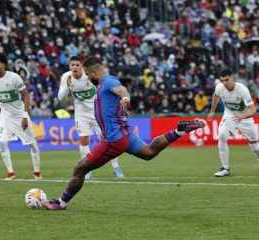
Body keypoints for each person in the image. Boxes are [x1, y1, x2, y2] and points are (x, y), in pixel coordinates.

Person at [43, 57, 204, 210]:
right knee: (149, 152)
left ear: (92, 73)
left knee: (80, 169)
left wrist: (125, 97)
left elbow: (121, 89)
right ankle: (178, 131)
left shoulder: (107, 82)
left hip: (113, 139)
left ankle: (61, 203)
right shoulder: (103, 83)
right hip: (125, 133)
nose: (87, 77)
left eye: (87, 73)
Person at [58, 56, 124, 179]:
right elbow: (60, 98)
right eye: (72, 65)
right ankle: (87, 169)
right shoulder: (66, 77)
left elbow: (104, 89)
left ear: (82, 66)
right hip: (81, 114)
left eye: (77, 65)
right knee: (83, 139)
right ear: (69, 66)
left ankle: (116, 167)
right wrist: (67, 86)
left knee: (108, 139)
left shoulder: (89, 77)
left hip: (97, 112)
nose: (75, 67)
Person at [0, 53, 41, 180]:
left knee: (32, 144)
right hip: (5, 115)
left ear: (4, 65)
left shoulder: (14, 77)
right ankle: (11, 173)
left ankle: (37, 173)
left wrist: (25, 115)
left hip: (19, 114)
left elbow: (26, 95)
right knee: (2, 142)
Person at [208, 68, 259, 177]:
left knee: (256, 147)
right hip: (230, 116)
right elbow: (215, 96)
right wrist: (212, 111)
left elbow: (253, 110)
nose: (224, 83)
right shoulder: (219, 88)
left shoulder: (242, 89)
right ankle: (225, 168)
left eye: (226, 80)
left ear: (232, 78)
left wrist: (242, 116)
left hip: (245, 117)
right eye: (222, 80)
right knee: (221, 135)